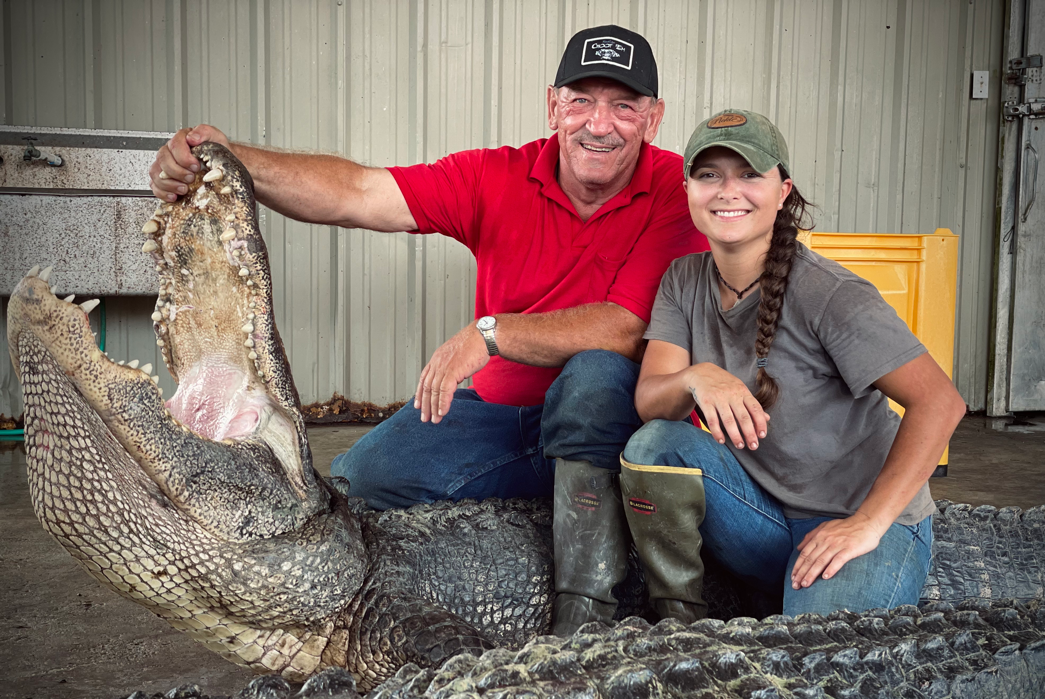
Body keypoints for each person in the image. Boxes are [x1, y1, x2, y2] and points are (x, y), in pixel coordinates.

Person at [149, 25, 707, 635]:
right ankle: (552, 505)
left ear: (653, 119)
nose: (599, 124)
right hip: (503, 413)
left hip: (609, 422)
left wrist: (489, 334)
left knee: (596, 374)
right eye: (581, 102)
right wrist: (232, 161)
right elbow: (360, 193)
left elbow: (626, 329)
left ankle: (582, 622)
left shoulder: (677, 192)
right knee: (357, 481)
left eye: (623, 106)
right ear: (554, 106)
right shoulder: (500, 176)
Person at [618, 109, 966, 622]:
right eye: (709, 174)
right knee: (654, 445)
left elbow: (940, 402)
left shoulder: (831, 293)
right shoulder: (683, 279)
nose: (727, 191)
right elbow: (650, 402)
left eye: (750, 174)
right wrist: (697, 376)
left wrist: (868, 523)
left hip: (853, 517)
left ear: (783, 191)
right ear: (688, 188)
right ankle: (683, 624)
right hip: (763, 518)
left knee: (811, 670)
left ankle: (800, 594)